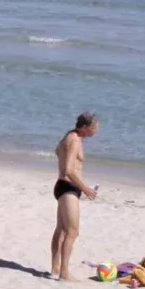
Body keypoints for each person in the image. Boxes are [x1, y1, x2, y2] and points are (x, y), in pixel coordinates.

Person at [50, 112, 99, 280]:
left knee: (62, 230)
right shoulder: (74, 140)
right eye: (94, 128)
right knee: (72, 232)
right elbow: (69, 170)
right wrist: (85, 188)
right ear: (85, 128)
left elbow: (57, 151)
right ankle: (64, 272)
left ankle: (56, 267)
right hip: (68, 188)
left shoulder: (69, 136)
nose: (96, 131)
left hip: (64, 186)